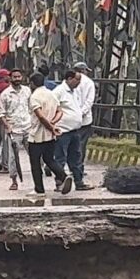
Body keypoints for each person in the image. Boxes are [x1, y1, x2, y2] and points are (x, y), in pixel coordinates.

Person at [27, 68, 73, 194]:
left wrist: (50, 126)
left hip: (36, 134)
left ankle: (39, 189)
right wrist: (53, 123)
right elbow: (60, 111)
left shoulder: (34, 97)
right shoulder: (51, 94)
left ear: (32, 83)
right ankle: (62, 176)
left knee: (35, 162)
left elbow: (40, 116)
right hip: (50, 135)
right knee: (49, 159)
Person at [60, 61, 97, 191]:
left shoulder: (68, 84)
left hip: (70, 121)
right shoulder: (87, 83)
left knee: (68, 150)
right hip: (81, 121)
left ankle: (68, 176)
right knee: (78, 149)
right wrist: (81, 113)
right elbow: (89, 101)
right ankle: (76, 176)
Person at [0, 71, 36, 191]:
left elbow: (32, 107)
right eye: (15, 77)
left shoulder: (27, 91)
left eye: (19, 77)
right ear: (10, 78)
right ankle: (14, 180)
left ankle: (37, 180)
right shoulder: (5, 94)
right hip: (14, 129)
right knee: (13, 157)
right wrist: (7, 125)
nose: (17, 79)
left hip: (28, 127)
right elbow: (1, 113)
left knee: (34, 155)